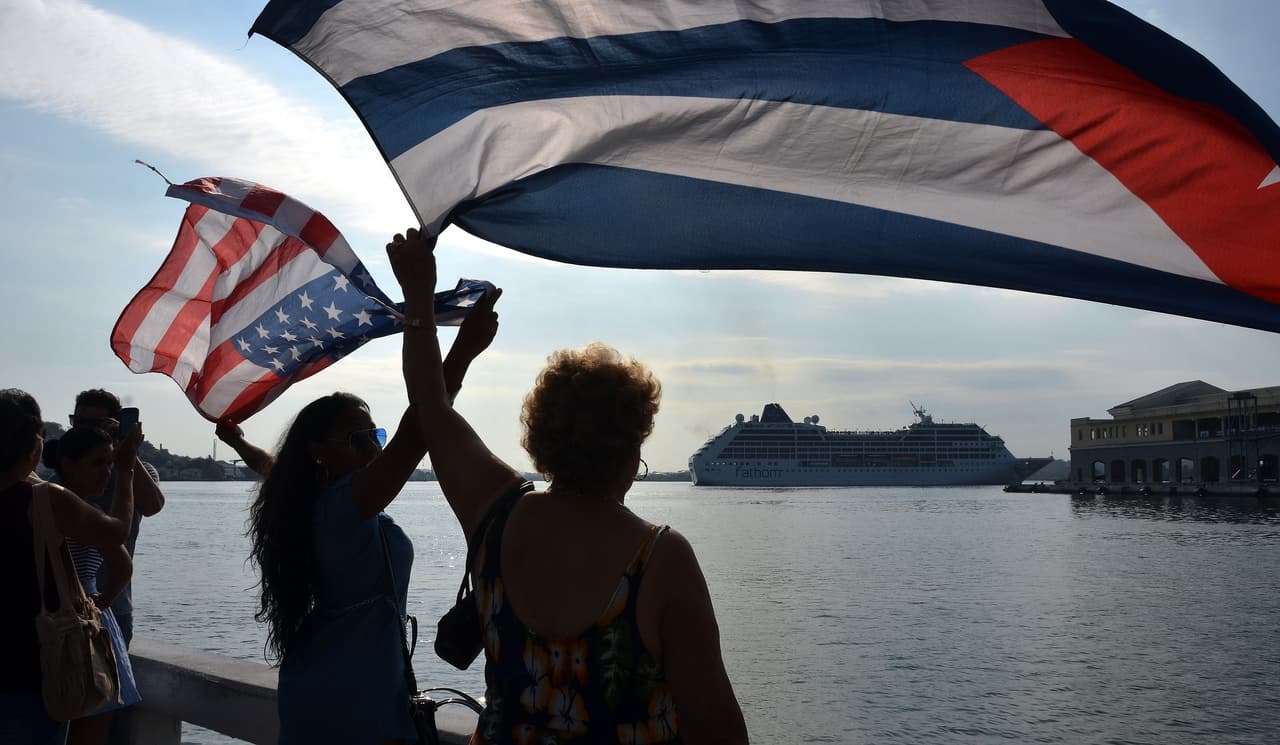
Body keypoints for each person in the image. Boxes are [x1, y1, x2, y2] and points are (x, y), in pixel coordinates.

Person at [387, 228, 749, 744]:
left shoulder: (495, 512)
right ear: (630, 450)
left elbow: (429, 404)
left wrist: (419, 293)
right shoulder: (662, 560)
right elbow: (718, 731)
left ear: (542, 438)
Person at [243, 296, 501, 745]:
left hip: (331, 680)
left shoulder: (310, 502)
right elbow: (419, 428)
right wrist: (462, 350)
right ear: (317, 452)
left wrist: (238, 444)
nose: (374, 448)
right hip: (354, 695)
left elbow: (272, 468)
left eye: (375, 435)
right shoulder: (341, 506)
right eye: (357, 439)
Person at [0, 389, 139, 745]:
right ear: (34, 446)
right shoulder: (45, 499)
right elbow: (117, 530)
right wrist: (124, 470)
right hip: (30, 670)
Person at [42, 427, 143, 745]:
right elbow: (123, 563)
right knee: (92, 726)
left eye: (110, 463)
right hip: (85, 622)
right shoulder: (76, 510)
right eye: (98, 464)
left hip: (52, 619)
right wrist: (102, 601)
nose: (107, 472)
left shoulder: (35, 500)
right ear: (69, 464)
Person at [69, 389, 166, 648]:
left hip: (115, 603)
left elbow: (153, 505)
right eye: (78, 423)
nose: (85, 431)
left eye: (95, 425)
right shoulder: (65, 468)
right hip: (63, 604)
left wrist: (127, 455)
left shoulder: (136, 470)